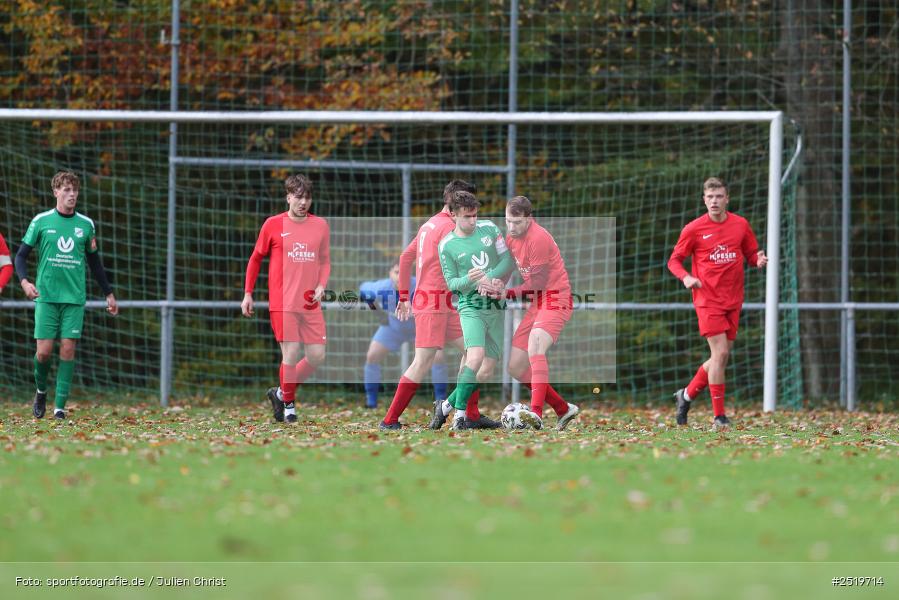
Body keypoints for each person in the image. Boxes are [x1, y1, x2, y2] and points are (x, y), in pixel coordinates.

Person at [380, 180, 492, 430]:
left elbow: (405, 257)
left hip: (443, 303)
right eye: (466, 206)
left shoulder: (429, 224)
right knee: (422, 362)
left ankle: (470, 414)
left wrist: (404, 296)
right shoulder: (448, 228)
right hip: (432, 304)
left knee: (475, 353)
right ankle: (389, 420)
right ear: (454, 205)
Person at [14, 171, 118, 420]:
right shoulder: (41, 221)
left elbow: (95, 263)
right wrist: (25, 282)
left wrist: (109, 293)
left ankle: (59, 408)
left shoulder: (86, 225)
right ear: (56, 192)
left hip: (73, 298)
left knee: (68, 350)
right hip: (46, 297)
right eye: (67, 190)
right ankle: (41, 391)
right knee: (44, 353)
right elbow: (20, 256)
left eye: (75, 190)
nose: (72, 194)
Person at [667, 177, 767, 430]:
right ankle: (719, 417)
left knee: (719, 358)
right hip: (707, 299)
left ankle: (686, 395)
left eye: (719, 196)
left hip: (733, 299)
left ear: (727, 199)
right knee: (720, 354)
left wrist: (758, 260)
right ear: (704, 200)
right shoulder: (694, 229)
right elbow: (674, 261)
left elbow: (751, 253)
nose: (714, 201)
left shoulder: (740, 225)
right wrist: (686, 277)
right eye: (710, 197)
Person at [242, 174, 330, 424]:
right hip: (283, 303)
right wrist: (248, 293)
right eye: (298, 197)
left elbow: (325, 261)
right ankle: (289, 406)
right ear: (288, 197)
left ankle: (281, 393)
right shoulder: (273, 224)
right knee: (290, 354)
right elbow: (255, 259)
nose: (303, 202)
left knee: (317, 356)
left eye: (307, 198)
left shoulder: (320, 225)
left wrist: (321, 285)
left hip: (310, 304)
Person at [431, 190, 512, 430]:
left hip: (495, 305)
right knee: (474, 357)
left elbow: (508, 261)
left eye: (475, 215)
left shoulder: (490, 229)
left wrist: (490, 278)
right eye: (467, 216)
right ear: (454, 215)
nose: (473, 220)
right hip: (470, 307)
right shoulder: (447, 245)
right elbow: (452, 284)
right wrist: (471, 279)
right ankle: (459, 417)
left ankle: (445, 406)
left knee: (485, 372)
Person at [501, 195, 580, 430]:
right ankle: (562, 409)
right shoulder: (511, 238)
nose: (511, 227)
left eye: (517, 222)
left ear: (529, 218)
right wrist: (495, 282)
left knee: (536, 345)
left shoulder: (538, 238)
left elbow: (536, 283)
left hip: (556, 297)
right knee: (516, 366)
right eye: (508, 221)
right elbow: (508, 267)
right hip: (537, 302)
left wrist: (506, 293)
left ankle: (535, 413)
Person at [359, 262, 448, 409]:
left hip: (419, 329)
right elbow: (363, 289)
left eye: (404, 272)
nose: (400, 276)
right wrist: (378, 312)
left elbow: (440, 295)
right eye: (396, 272)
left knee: (438, 357)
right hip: (393, 328)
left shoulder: (419, 285)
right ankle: (371, 402)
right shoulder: (382, 287)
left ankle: (442, 402)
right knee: (372, 355)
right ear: (390, 273)